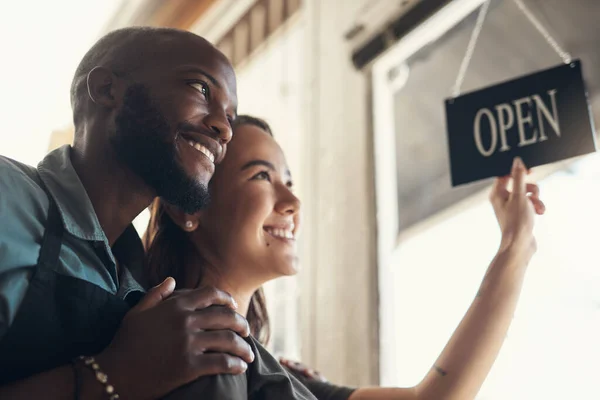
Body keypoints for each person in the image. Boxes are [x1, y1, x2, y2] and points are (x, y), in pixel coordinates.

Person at [144, 115, 546, 400]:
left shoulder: (270, 370)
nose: (293, 201)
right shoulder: (177, 343)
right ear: (189, 209)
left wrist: (516, 244)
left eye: (289, 181)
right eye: (262, 176)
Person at [0, 27, 255, 399]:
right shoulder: (8, 198)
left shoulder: (144, 284)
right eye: (200, 89)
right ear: (106, 89)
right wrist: (111, 375)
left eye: (230, 117)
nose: (224, 130)